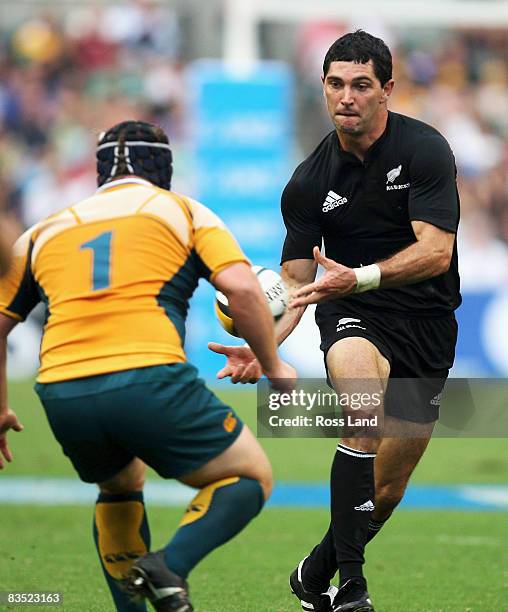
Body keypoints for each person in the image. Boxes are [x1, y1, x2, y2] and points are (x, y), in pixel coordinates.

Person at [0, 120, 296, 612]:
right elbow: (243, 290)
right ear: (165, 168)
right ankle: (168, 566)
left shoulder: (44, 230)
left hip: (60, 390)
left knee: (118, 485)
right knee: (248, 477)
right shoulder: (182, 212)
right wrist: (275, 366)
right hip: (147, 375)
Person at [210, 31, 460, 612]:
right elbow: (298, 282)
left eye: (361, 85)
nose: (346, 97)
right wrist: (262, 344)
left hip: (426, 320)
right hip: (354, 315)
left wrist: (360, 274)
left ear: (386, 91)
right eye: (335, 84)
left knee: (387, 491)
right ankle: (352, 588)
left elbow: (436, 253)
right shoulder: (306, 183)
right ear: (323, 89)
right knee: (363, 415)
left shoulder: (424, 150)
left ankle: (314, 571)